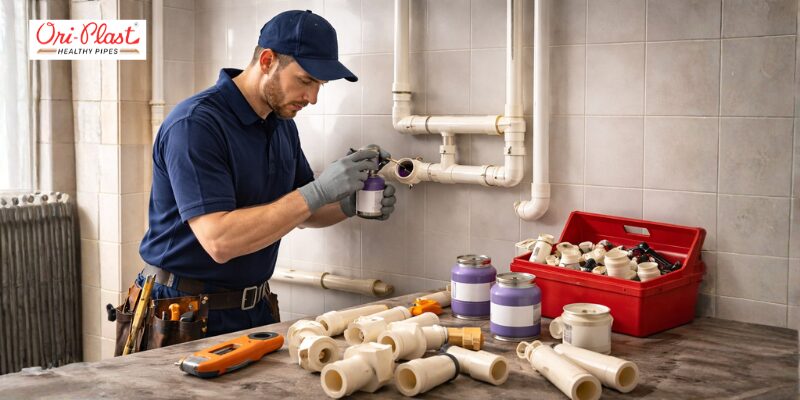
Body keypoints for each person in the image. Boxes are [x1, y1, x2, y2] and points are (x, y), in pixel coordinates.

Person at [131, 10, 396, 341]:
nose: (312, 98)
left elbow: (302, 210)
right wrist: (318, 190)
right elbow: (219, 241)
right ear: (268, 60)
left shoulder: (282, 125)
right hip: (181, 312)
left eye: (319, 85)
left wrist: (348, 204)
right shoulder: (196, 125)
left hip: (254, 309)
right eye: (305, 80)